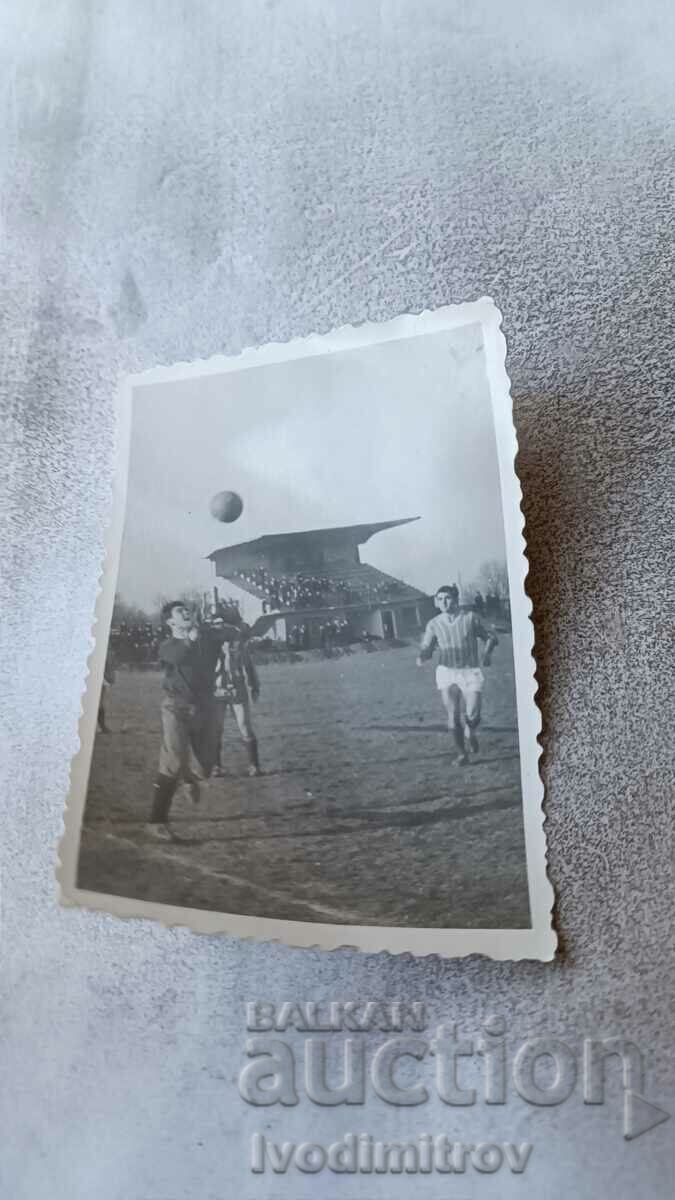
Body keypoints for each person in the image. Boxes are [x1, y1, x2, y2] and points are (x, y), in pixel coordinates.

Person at [147, 601, 223, 841]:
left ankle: (189, 777)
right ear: (171, 622)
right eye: (180, 612)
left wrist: (226, 623)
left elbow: (234, 633)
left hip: (203, 709)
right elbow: (180, 655)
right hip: (175, 708)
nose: (187, 612)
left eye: (187, 609)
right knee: (172, 761)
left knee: (206, 768)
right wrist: (192, 637)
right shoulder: (167, 646)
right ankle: (156, 821)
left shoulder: (202, 638)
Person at [417, 584, 498, 766]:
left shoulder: (470, 618)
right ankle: (462, 754)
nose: (444, 602)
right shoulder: (434, 624)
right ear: (436, 603)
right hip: (447, 672)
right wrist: (423, 655)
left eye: (447, 598)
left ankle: (471, 730)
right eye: (440, 599)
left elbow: (492, 637)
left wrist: (486, 654)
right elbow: (427, 646)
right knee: (453, 715)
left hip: (470, 671)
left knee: (473, 715)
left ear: (456, 600)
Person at [211, 625, 261, 780]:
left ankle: (254, 764)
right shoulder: (208, 649)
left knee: (245, 726)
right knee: (215, 729)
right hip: (217, 692)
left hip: (237, 689)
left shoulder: (239, 648)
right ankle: (216, 766)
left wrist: (254, 686)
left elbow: (249, 667)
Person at [97, 647, 116, 732]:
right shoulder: (104, 653)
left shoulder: (109, 653)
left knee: (101, 703)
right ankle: (102, 726)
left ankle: (102, 726)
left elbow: (110, 668)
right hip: (99, 680)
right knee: (100, 704)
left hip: (103, 680)